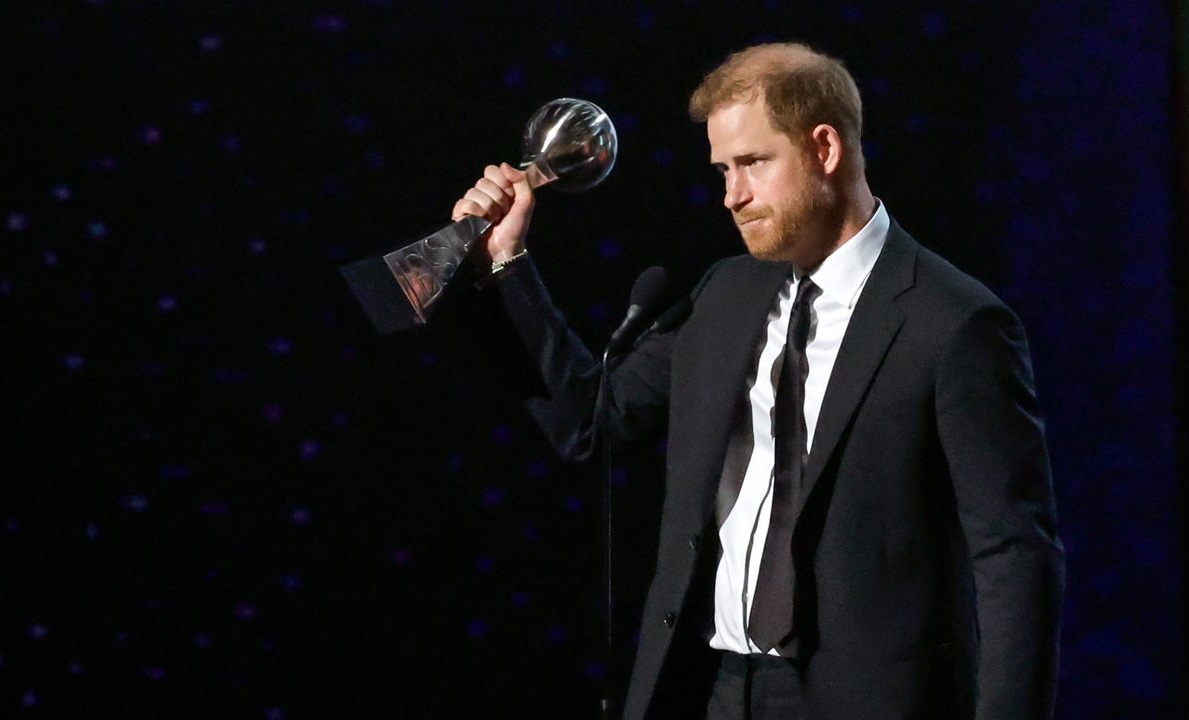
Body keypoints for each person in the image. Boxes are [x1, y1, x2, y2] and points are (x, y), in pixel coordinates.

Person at [451, 42, 1064, 720]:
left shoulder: (954, 323)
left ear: (824, 148)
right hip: (717, 689)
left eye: (751, 163)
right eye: (721, 170)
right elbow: (592, 421)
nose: (731, 195)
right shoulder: (726, 294)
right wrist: (509, 264)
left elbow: (1014, 558)